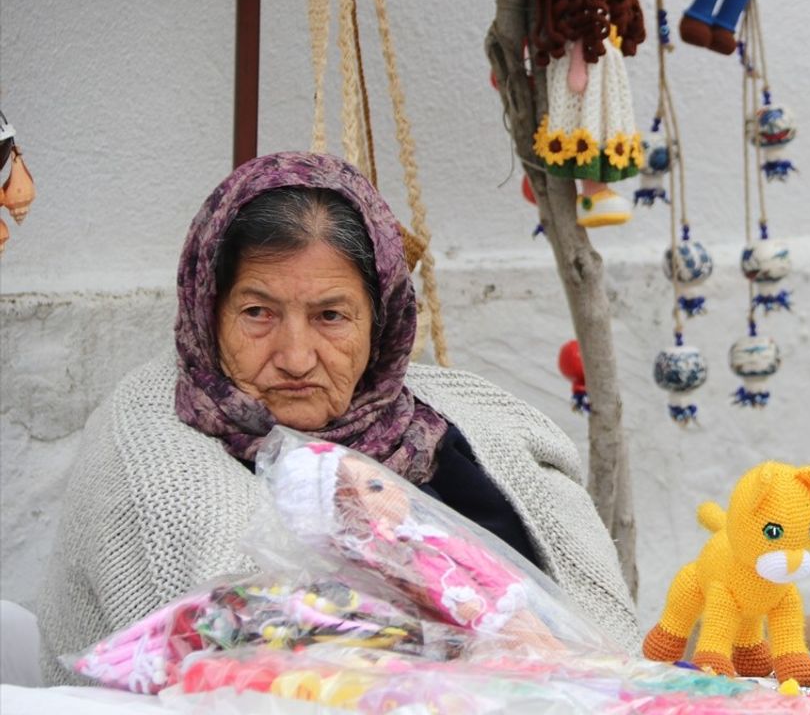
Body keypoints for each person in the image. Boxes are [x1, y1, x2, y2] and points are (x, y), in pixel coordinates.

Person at [38, 152, 639, 684]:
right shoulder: (151, 447)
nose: (296, 358)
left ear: (382, 320)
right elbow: (234, 657)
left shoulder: (468, 414)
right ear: (206, 306)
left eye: (331, 316)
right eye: (257, 312)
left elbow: (608, 625)